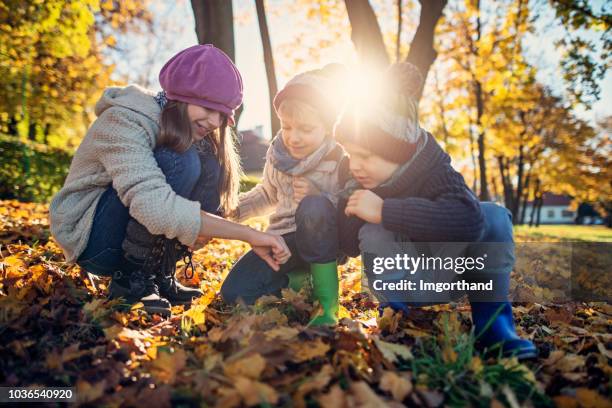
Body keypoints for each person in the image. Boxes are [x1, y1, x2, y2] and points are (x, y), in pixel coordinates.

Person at [50, 45, 290, 316]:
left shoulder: (194, 133)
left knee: (212, 162)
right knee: (180, 159)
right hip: (92, 238)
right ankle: (131, 280)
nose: (214, 121)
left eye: (222, 114)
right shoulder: (124, 119)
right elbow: (153, 205)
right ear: (181, 96)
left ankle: (158, 274)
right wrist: (250, 236)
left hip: (123, 229)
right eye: (208, 108)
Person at [334, 62, 537, 359]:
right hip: (399, 284)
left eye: (365, 155)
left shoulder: (433, 168)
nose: (355, 164)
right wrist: (352, 208)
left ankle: (494, 326)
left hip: (449, 273)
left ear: (398, 154)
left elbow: (469, 219)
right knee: (374, 228)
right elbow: (348, 246)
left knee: (492, 215)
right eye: (351, 153)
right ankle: (396, 320)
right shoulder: (354, 177)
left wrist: (386, 210)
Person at [221, 65, 349, 326]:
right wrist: (232, 208)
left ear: (327, 127)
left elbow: (350, 205)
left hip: (324, 240)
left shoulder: (338, 159)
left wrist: (320, 195)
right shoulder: (277, 155)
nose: (294, 137)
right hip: (283, 241)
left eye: (306, 128)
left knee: (314, 208)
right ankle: (302, 281)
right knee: (235, 294)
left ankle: (327, 306)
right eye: (287, 126)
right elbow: (267, 194)